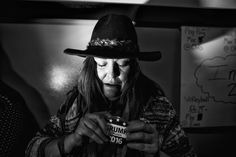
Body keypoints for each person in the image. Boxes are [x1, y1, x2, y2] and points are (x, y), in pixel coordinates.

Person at [26, 14, 197, 157]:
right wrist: (72, 140)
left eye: (123, 64)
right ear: (92, 64)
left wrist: (158, 154)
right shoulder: (76, 104)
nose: (111, 74)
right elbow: (31, 149)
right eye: (101, 64)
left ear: (135, 66)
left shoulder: (159, 107)